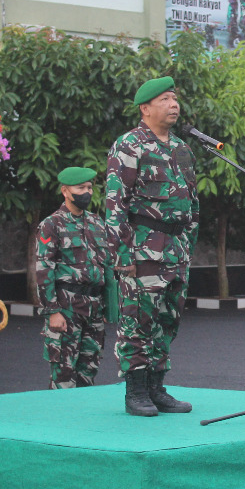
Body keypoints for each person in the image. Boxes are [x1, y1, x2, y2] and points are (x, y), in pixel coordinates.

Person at [105, 76, 198, 417]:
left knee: (167, 319)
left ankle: (157, 388)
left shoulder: (181, 149)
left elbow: (192, 202)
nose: (174, 105)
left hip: (175, 248)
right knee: (138, 320)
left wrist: (187, 245)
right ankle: (136, 392)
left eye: (175, 99)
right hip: (142, 247)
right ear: (145, 108)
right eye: (165, 100)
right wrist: (122, 253)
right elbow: (116, 203)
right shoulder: (129, 145)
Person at [35, 167, 110, 389]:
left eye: (89, 187)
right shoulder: (52, 225)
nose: (87, 192)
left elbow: (104, 266)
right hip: (66, 307)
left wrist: (107, 306)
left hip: (94, 308)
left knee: (89, 371)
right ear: (65, 191)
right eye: (81, 188)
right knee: (63, 374)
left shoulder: (97, 223)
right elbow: (44, 269)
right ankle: (57, 420)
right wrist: (52, 311)